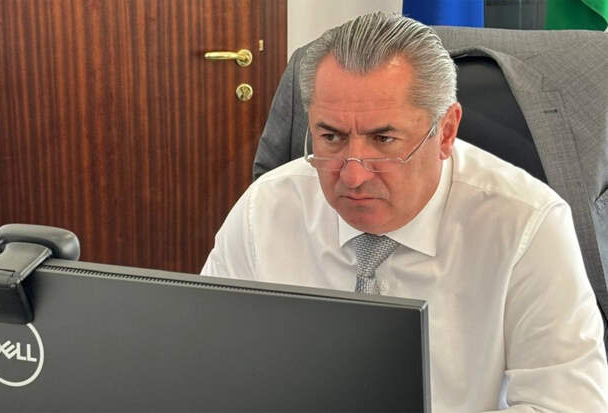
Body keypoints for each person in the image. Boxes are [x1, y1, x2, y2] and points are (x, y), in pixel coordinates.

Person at [202, 12, 608, 412]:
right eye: (331, 137)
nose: (353, 175)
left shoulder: (526, 225)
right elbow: (208, 366)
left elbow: (568, 406)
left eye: (383, 139)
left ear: (446, 132)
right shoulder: (266, 209)